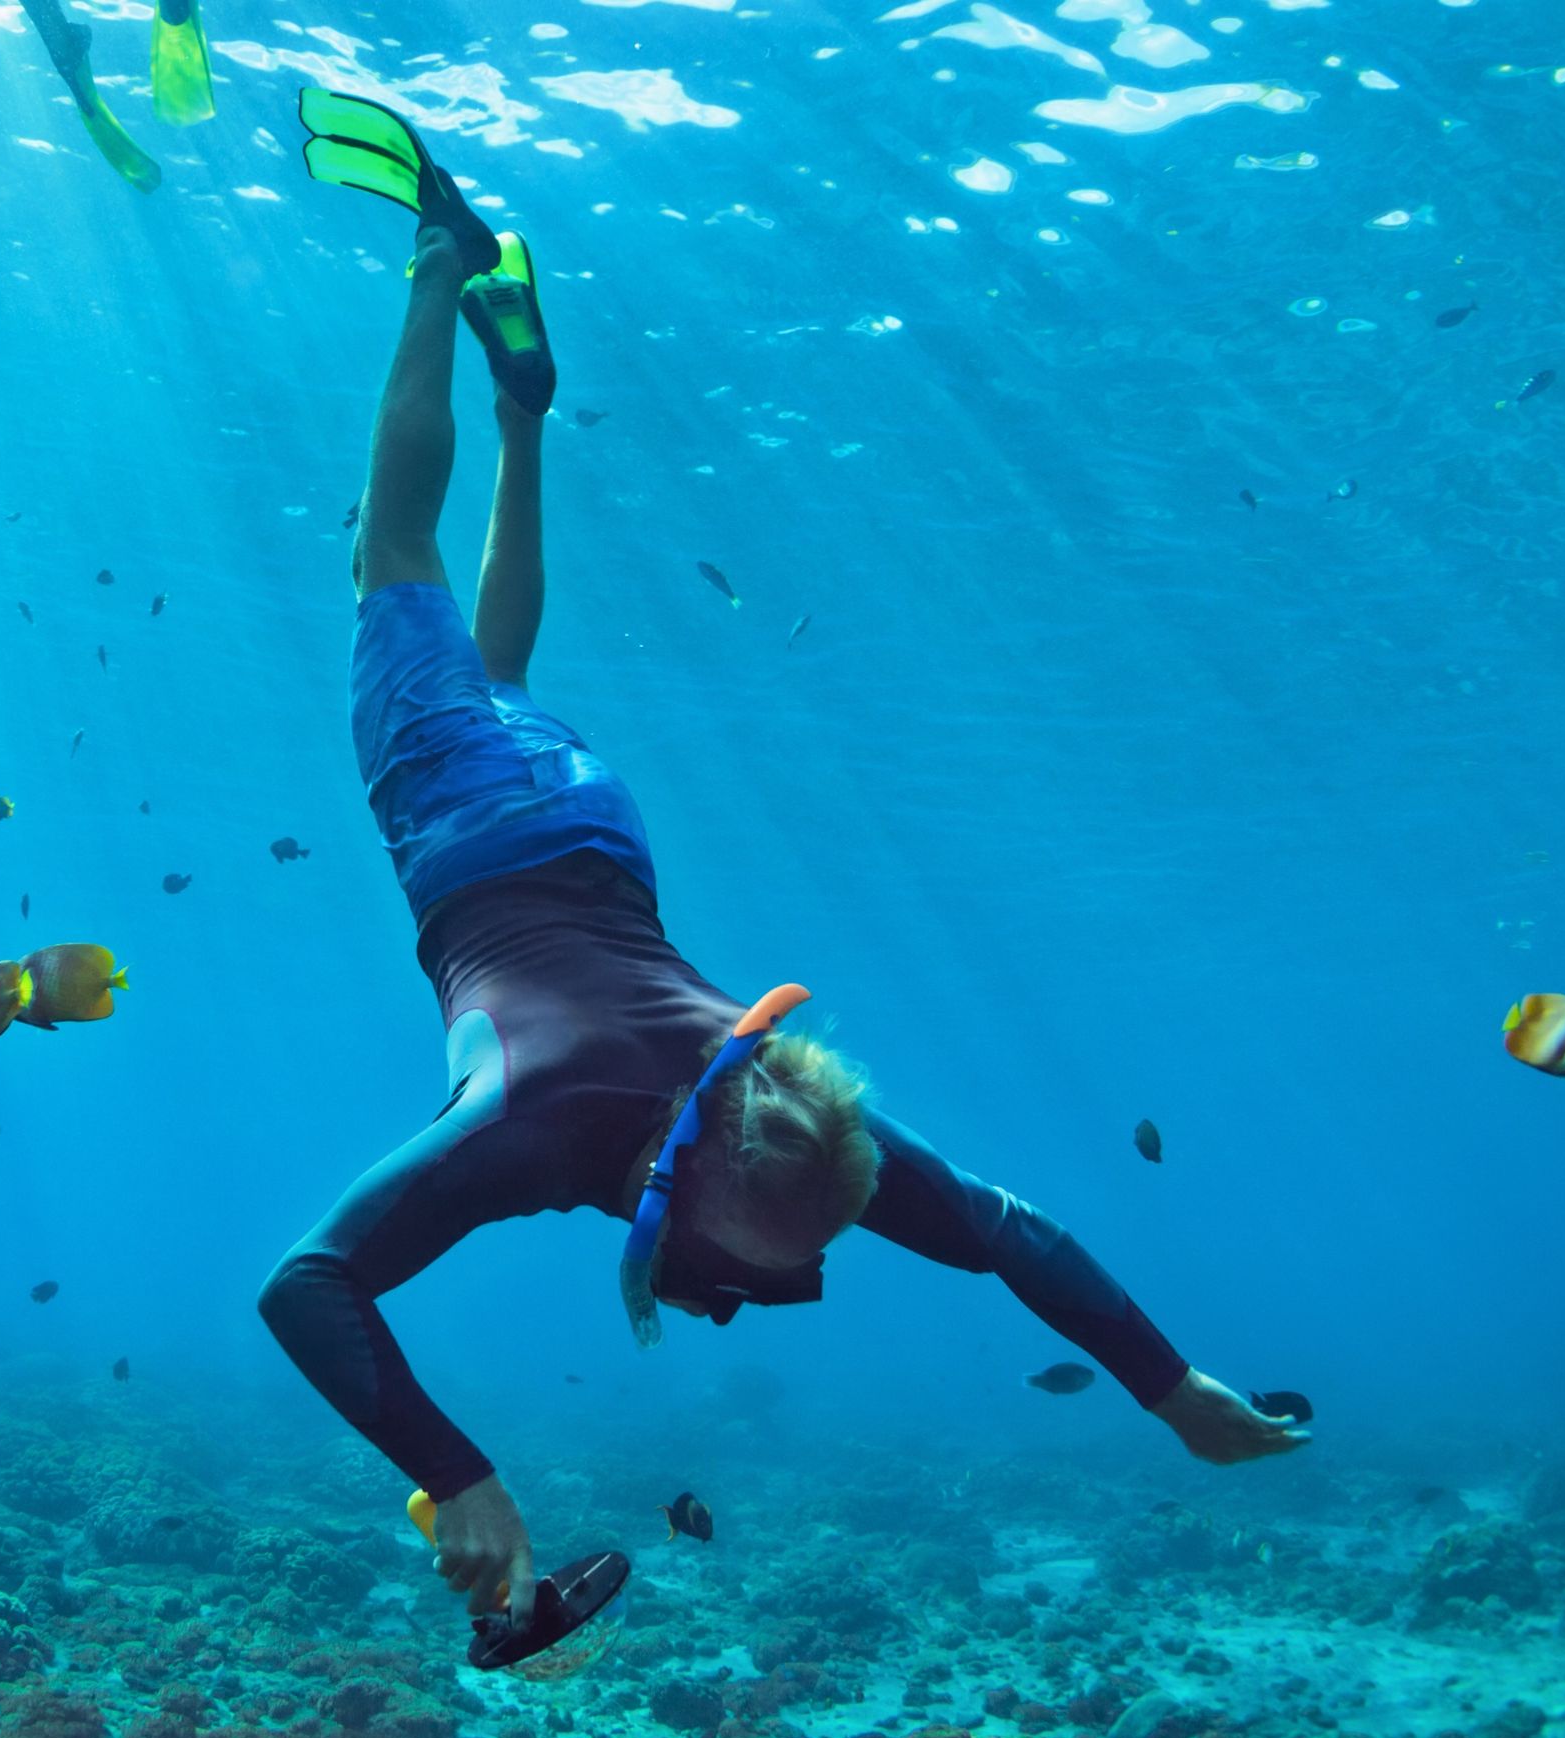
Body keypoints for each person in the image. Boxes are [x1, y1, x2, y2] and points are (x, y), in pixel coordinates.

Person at [258, 94, 1310, 1634]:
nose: (737, 1298)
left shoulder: (785, 1139)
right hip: (481, 833)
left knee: (497, 665)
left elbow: (1015, 1239)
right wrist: (454, 1468)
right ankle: (435, 253)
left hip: (595, 824)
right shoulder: (546, 1123)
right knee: (391, 566)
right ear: (678, 1180)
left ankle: (528, 409)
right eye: (732, 1269)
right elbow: (305, 1285)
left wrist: (1177, 1391)